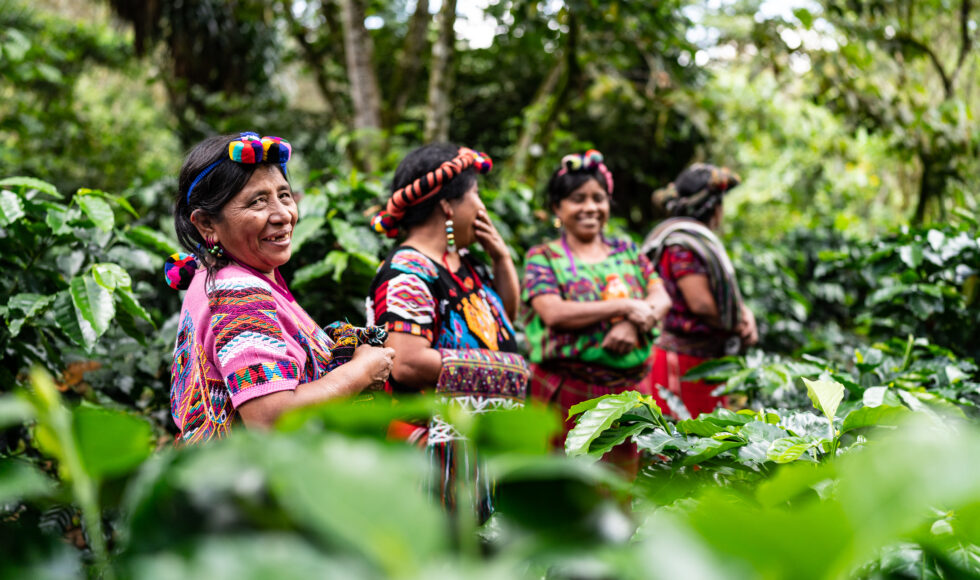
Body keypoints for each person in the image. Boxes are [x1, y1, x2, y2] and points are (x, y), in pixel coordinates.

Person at [168, 132, 394, 443]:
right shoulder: (238, 293)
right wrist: (361, 372)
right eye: (257, 201)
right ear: (207, 224)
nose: (283, 215)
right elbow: (271, 418)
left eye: (284, 195)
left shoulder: (215, 276)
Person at [366, 143, 528, 517]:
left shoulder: (464, 261)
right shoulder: (407, 271)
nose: (481, 207)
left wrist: (501, 257)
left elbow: (503, 318)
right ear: (447, 205)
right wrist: (505, 370)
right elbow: (406, 362)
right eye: (475, 195)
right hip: (433, 455)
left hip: (472, 447)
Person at [521, 150, 671, 475]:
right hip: (566, 393)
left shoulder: (628, 251)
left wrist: (632, 326)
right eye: (578, 199)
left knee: (618, 494)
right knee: (563, 489)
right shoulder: (543, 257)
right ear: (557, 208)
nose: (590, 207)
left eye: (598, 198)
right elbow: (553, 312)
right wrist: (625, 305)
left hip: (627, 395)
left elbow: (660, 297)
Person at [640, 163, 758, 419]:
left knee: (705, 446)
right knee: (684, 445)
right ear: (713, 208)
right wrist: (737, 323)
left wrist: (742, 313)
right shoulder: (682, 244)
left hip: (702, 363)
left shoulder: (691, 241)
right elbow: (701, 304)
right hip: (682, 364)